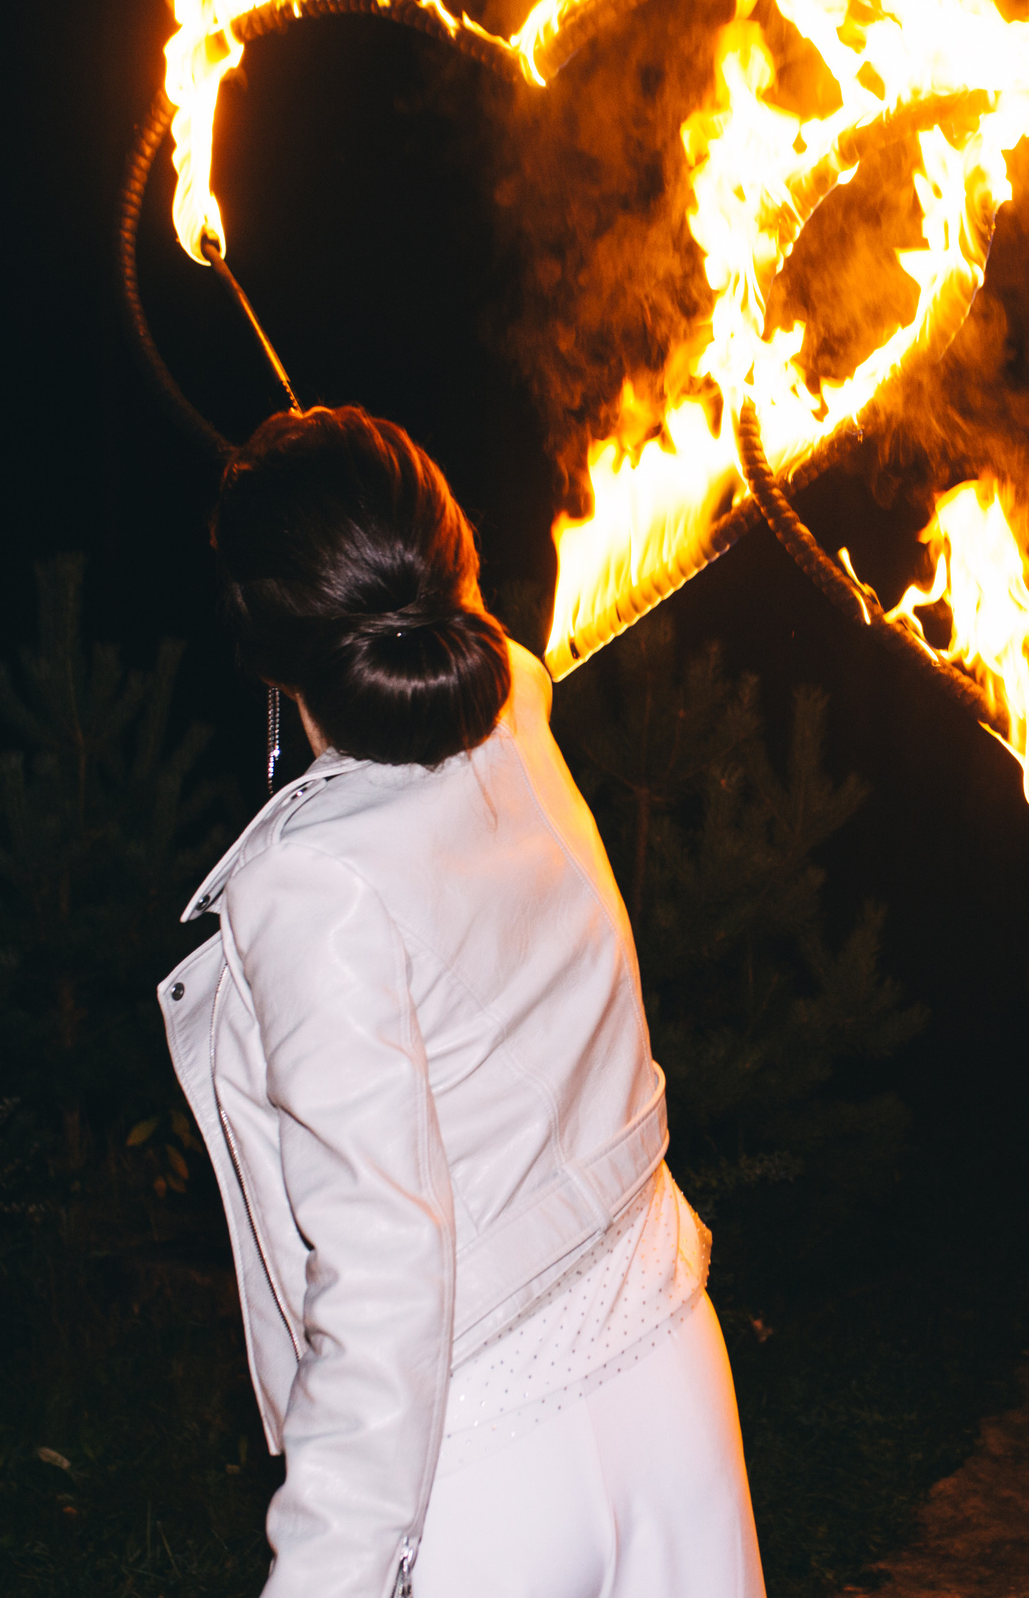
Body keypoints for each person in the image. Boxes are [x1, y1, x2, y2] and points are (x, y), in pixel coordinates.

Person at [155, 406, 765, 1598]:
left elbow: (382, 1281)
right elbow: (442, 610)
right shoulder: (520, 713)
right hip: (670, 1379)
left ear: (263, 649)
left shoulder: (310, 888)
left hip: (483, 1472)